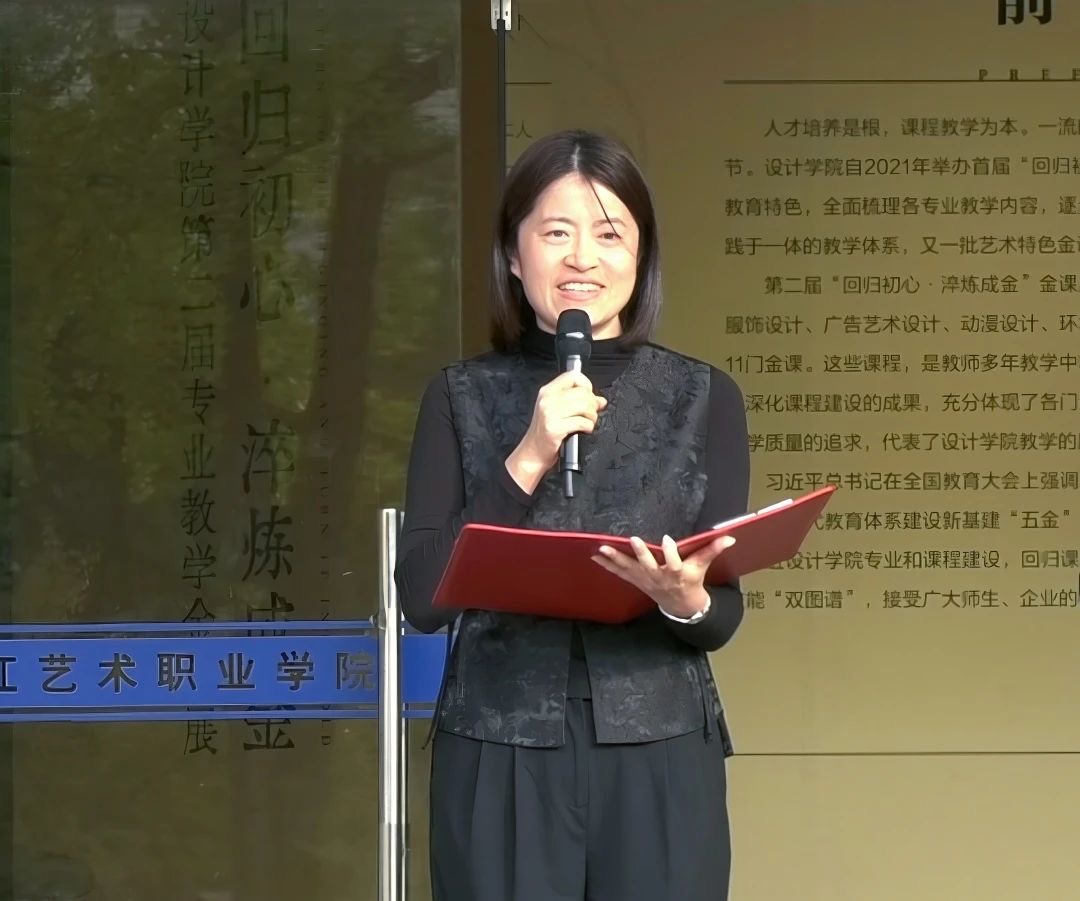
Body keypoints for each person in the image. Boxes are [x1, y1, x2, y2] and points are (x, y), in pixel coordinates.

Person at [394, 128, 750, 901]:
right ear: (513, 254)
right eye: (556, 232)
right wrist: (527, 455)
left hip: (660, 744)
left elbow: (722, 613)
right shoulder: (458, 396)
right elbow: (421, 597)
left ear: (641, 257)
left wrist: (686, 599)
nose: (582, 257)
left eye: (609, 233)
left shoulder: (704, 398)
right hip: (499, 742)